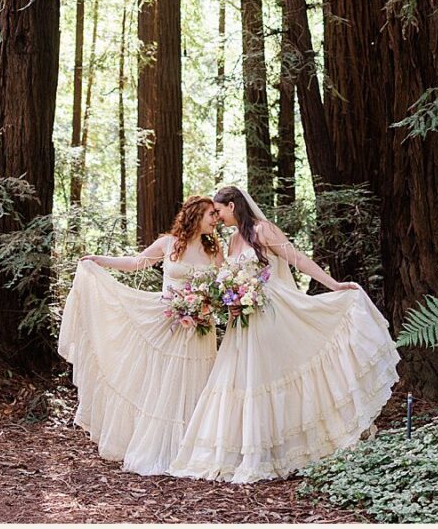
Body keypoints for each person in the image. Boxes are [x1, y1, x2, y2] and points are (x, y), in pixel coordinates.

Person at [169, 184, 399, 483]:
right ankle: (250, 450)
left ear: (232, 206)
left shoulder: (263, 230)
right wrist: (229, 299)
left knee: (270, 375)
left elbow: (297, 259)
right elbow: (227, 280)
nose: (217, 216)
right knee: (244, 379)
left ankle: (284, 449)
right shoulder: (233, 240)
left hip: (271, 311)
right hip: (243, 320)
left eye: (219, 210)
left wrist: (333, 285)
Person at [58, 195, 224, 475]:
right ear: (196, 215)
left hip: (199, 327)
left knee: (196, 379)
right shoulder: (168, 243)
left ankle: (194, 448)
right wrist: (100, 260)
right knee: (167, 381)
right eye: (211, 214)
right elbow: (136, 262)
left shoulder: (214, 251)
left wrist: (208, 303)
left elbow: (222, 285)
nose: (216, 219)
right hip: (169, 322)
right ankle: (162, 447)